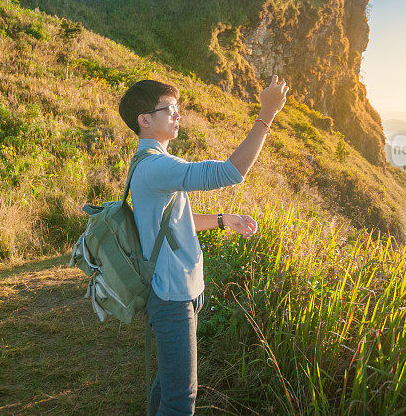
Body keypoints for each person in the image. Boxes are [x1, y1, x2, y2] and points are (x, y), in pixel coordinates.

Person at [117, 75, 289, 415]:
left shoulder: (151, 164)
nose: (178, 116)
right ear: (145, 120)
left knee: (168, 384)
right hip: (172, 295)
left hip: (179, 289)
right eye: (170, 109)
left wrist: (224, 220)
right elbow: (230, 172)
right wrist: (267, 114)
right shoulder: (157, 166)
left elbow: (175, 219)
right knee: (181, 400)